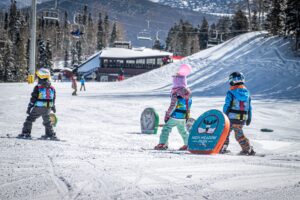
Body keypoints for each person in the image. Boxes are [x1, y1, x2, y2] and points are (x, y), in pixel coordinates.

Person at [154, 69, 192, 151]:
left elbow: (173, 105)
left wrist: (167, 115)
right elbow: (189, 106)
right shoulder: (188, 94)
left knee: (166, 128)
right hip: (183, 117)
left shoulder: (176, 93)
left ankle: (162, 144)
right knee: (182, 130)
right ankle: (188, 144)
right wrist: (187, 117)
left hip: (175, 116)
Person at [220, 72, 255, 155]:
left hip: (231, 117)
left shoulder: (231, 92)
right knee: (238, 133)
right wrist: (249, 117)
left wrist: (224, 116)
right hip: (242, 117)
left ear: (232, 80)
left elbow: (227, 105)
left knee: (225, 133)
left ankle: (222, 148)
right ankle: (247, 148)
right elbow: (249, 107)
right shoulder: (247, 93)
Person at [18, 68, 57, 139]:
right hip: (48, 107)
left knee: (30, 119)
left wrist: (29, 107)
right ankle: (50, 134)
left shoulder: (38, 87)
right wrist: (53, 106)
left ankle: (26, 133)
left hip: (39, 107)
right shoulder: (52, 88)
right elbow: (53, 98)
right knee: (47, 121)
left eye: (38, 77)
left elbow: (33, 98)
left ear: (41, 77)